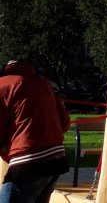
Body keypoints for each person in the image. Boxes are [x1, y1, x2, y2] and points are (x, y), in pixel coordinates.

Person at [0, 59, 70, 203]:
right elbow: (65, 123)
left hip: (28, 161)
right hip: (56, 158)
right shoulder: (44, 84)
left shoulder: (4, 85)